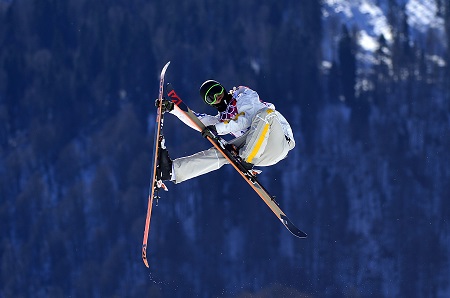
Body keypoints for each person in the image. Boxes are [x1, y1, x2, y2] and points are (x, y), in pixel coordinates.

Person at [156, 80, 296, 184]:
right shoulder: (222, 119)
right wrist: (173, 109)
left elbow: (246, 119)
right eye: (211, 98)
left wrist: (218, 129)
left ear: (223, 88)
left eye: (217, 91)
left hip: (278, 139)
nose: (217, 97)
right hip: (258, 151)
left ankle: (245, 159)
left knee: (266, 114)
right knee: (222, 151)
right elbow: (199, 121)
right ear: (209, 104)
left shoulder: (243, 96)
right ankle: (172, 171)